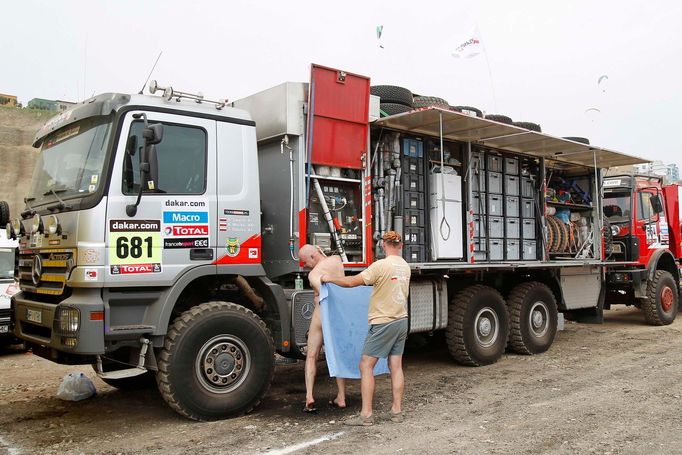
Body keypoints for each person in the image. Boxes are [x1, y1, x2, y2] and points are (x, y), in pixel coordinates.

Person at [321, 231, 410, 426]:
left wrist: (329, 278)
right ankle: (396, 411)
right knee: (396, 366)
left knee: (365, 365)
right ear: (400, 245)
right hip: (401, 320)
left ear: (383, 245)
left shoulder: (380, 266)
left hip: (383, 322)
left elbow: (352, 282)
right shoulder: (405, 267)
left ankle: (366, 415)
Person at [298, 244, 347, 412]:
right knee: (337, 355)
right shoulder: (337, 260)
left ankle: (309, 396)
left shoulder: (313, 274)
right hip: (337, 313)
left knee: (311, 356)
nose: (305, 266)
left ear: (312, 256)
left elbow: (322, 290)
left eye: (305, 262)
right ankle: (341, 396)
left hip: (321, 313)